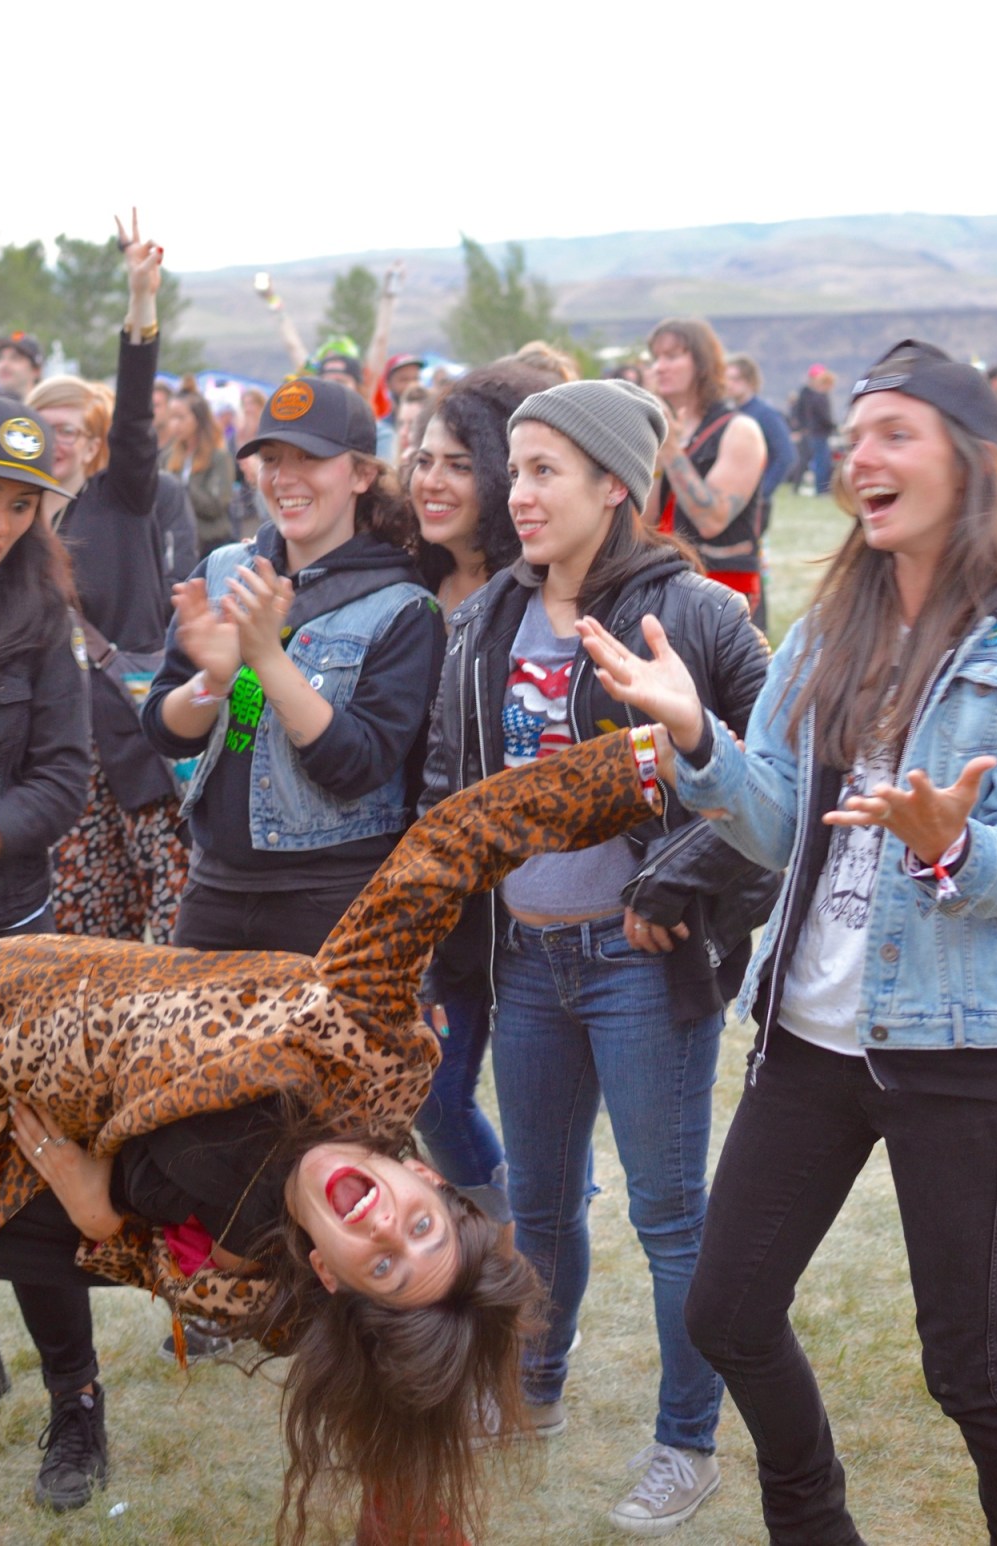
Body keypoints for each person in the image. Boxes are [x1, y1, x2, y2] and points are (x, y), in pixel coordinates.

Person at [0, 728, 664, 1542]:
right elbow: (452, 843)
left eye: (383, 1263)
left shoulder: (275, 1284)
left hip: (27, 1184)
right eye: (420, 1227)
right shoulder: (360, 1033)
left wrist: (105, 1224)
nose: (386, 1228)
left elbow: (180, 1272)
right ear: (432, 1185)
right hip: (17, 1002)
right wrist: (642, 768)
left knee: (393, 1400)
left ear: (332, 1274)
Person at [577, 340, 997, 1546]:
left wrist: (948, 847)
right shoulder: (832, 628)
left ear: (972, 463)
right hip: (808, 1036)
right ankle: (814, 1525)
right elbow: (775, 822)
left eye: (894, 433)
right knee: (725, 1311)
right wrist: (700, 741)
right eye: (856, 431)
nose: (859, 455)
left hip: (959, 1052)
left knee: (978, 1375)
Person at [422, 378, 773, 1535]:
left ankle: (686, 1441)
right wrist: (438, 947)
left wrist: (682, 893)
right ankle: (534, 1378)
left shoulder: (697, 615)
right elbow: (449, 792)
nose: (515, 494)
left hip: (638, 968)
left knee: (671, 1216)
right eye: (513, 469)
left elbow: (773, 797)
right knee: (541, 1201)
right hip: (524, 962)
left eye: (543, 471)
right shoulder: (483, 620)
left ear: (613, 484)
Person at [142, 376, 445, 955]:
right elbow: (164, 730)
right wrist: (212, 681)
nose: (284, 478)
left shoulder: (404, 608)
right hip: (213, 891)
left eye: (310, 458)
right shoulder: (225, 569)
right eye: (271, 458)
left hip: (331, 902)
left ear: (361, 474)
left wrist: (264, 658)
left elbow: (358, 765)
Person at [27, 212, 189, 946]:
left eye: (71, 429)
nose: (55, 440)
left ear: (95, 443)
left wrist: (140, 302)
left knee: (166, 923)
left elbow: (134, 413)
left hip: (139, 741)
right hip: (57, 756)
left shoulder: (121, 497)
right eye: (41, 427)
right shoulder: (15, 525)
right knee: (83, 935)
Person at [408, 362, 545, 1223]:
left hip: (529, 900)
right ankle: (510, 1236)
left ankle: (533, 1237)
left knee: (538, 1119)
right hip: (435, 893)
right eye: (423, 460)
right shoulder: (406, 586)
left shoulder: (537, 589)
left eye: (458, 462)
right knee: (433, 1097)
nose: (432, 480)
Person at [0, 395, 91, 1433]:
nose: (2, 519)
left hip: (12, 939)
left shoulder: (39, 615)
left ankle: (78, 1399)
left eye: (21, 502)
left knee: (32, 1180)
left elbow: (63, 778)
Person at [645, 317, 767, 619]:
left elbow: (712, 519)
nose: (659, 367)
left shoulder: (740, 430)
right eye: (656, 358)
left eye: (672, 356)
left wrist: (671, 448)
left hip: (723, 593)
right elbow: (646, 523)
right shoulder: (671, 431)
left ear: (702, 363)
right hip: (669, 581)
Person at [725, 353, 797, 631]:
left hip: (754, 506)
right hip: (735, 504)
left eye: (733, 379)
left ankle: (758, 627)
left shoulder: (763, 414)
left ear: (748, 381)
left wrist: (762, 492)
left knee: (751, 562)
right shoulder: (733, 413)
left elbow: (786, 455)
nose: (727, 385)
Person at [165, 386, 235, 556]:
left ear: (198, 418)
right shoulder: (167, 457)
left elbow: (216, 505)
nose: (175, 424)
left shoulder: (218, 457)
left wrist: (181, 487)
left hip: (211, 545)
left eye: (181, 417)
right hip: (179, 545)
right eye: (172, 418)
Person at [791, 363, 836, 494]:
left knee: (813, 460)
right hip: (813, 432)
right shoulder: (812, 394)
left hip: (812, 432)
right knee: (813, 461)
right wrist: (799, 429)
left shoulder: (814, 394)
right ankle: (817, 489)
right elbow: (801, 413)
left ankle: (814, 488)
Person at [0, 331, 43, 400]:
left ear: (36, 370)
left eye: (15, 358)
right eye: (1, 357)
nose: (4, 365)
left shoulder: (48, 408)